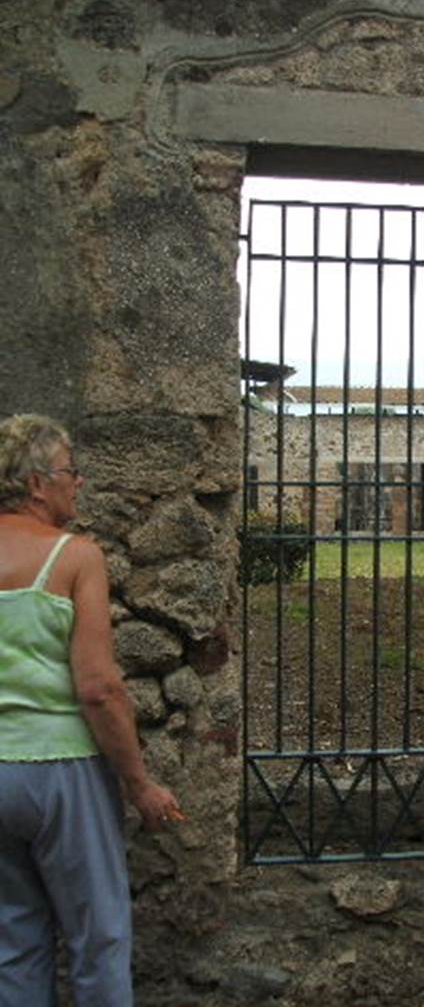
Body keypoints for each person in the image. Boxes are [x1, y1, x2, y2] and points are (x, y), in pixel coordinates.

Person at [0, 413, 182, 1006]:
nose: (78, 483)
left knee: (14, 942)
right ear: (35, 484)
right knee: (97, 938)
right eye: (70, 472)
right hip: (61, 773)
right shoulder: (75, 557)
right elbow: (99, 687)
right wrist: (139, 784)